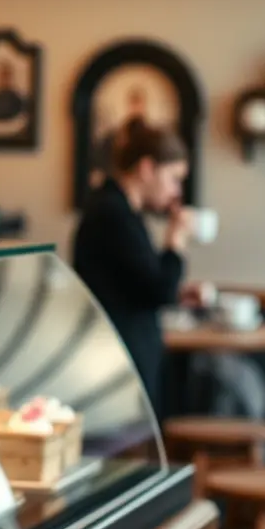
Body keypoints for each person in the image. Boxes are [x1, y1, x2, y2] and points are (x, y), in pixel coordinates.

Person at [72, 125, 204, 417]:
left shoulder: (118, 209)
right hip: (116, 363)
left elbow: (134, 284)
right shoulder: (112, 213)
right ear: (146, 168)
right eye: (173, 179)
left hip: (120, 358)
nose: (176, 192)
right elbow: (158, 290)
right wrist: (175, 240)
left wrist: (178, 293)